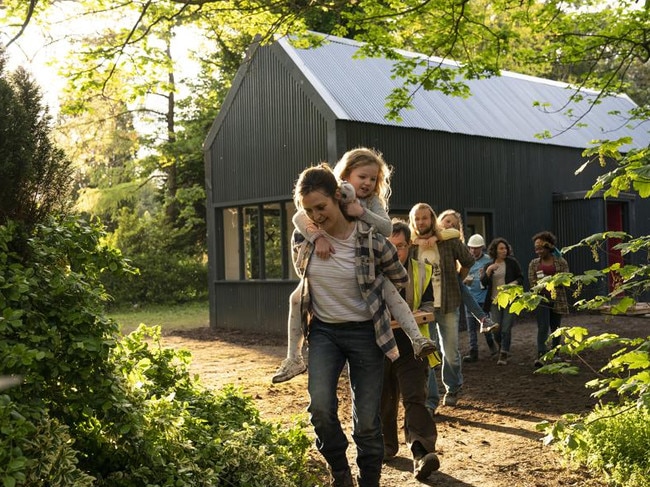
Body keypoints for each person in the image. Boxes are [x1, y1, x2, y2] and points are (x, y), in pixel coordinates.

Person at [272, 147, 436, 383]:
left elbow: (387, 229)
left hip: (367, 264)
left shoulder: (371, 202)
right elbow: (299, 217)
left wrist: (362, 212)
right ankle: (293, 357)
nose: (368, 183)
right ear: (347, 174)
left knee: (390, 292)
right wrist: (316, 236)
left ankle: (417, 339)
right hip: (332, 268)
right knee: (296, 299)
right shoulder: (334, 194)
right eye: (363, 176)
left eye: (373, 178)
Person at [291, 162, 409, 487]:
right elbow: (303, 276)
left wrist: (377, 294)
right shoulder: (303, 239)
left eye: (322, 207)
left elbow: (400, 277)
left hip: (366, 333)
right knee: (319, 408)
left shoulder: (369, 238)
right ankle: (340, 473)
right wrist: (315, 237)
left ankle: (369, 480)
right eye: (309, 210)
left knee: (368, 422)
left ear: (336, 197)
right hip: (325, 332)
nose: (315, 215)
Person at [381, 220, 441, 481]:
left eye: (402, 246)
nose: (396, 252)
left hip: (412, 344)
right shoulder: (371, 271)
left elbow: (429, 306)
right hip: (379, 343)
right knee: (383, 397)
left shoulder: (421, 272)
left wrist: (423, 312)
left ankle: (421, 452)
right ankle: (385, 446)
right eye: (391, 246)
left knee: (415, 395)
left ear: (409, 247)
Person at [409, 203, 474, 410]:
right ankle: (431, 400)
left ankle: (453, 387)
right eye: (417, 219)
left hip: (448, 303)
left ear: (432, 219)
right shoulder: (411, 245)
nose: (421, 222)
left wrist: (458, 279)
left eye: (424, 218)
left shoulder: (448, 241)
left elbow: (468, 260)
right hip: (423, 308)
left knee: (451, 352)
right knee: (428, 353)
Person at [437, 210, 500, 336]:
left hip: (451, 279)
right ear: (440, 220)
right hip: (433, 278)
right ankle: (483, 318)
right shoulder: (431, 236)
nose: (450, 225)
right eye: (448, 221)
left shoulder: (454, 241)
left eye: (454, 225)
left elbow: (467, 262)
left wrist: (460, 277)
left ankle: (483, 319)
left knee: (461, 287)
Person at [528, 231, 570, 368]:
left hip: (558, 299)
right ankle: (541, 355)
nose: (538, 251)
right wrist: (544, 285)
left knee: (556, 327)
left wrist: (551, 283)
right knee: (543, 326)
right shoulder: (534, 264)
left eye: (541, 248)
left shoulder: (561, 261)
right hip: (541, 299)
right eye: (536, 248)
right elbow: (532, 281)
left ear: (549, 247)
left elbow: (566, 278)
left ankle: (556, 353)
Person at [480, 238, 524, 366]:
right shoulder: (489, 265)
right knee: (497, 329)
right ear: (495, 250)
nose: (504, 251)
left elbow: (521, 277)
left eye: (505, 248)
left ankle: (504, 352)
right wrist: (488, 271)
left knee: (506, 328)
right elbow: (483, 283)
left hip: (510, 300)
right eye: (501, 249)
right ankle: (501, 346)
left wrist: (513, 284)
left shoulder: (512, 263)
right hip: (495, 301)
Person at [461, 233, 499, 362]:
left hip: (484, 299)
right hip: (470, 298)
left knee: (486, 326)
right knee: (471, 328)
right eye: (471, 248)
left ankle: (491, 345)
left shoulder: (488, 260)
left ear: (482, 247)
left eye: (476, 248)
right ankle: (473, 352)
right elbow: (460, 276)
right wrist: (465, 280)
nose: (473, 250)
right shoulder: (466, 261)